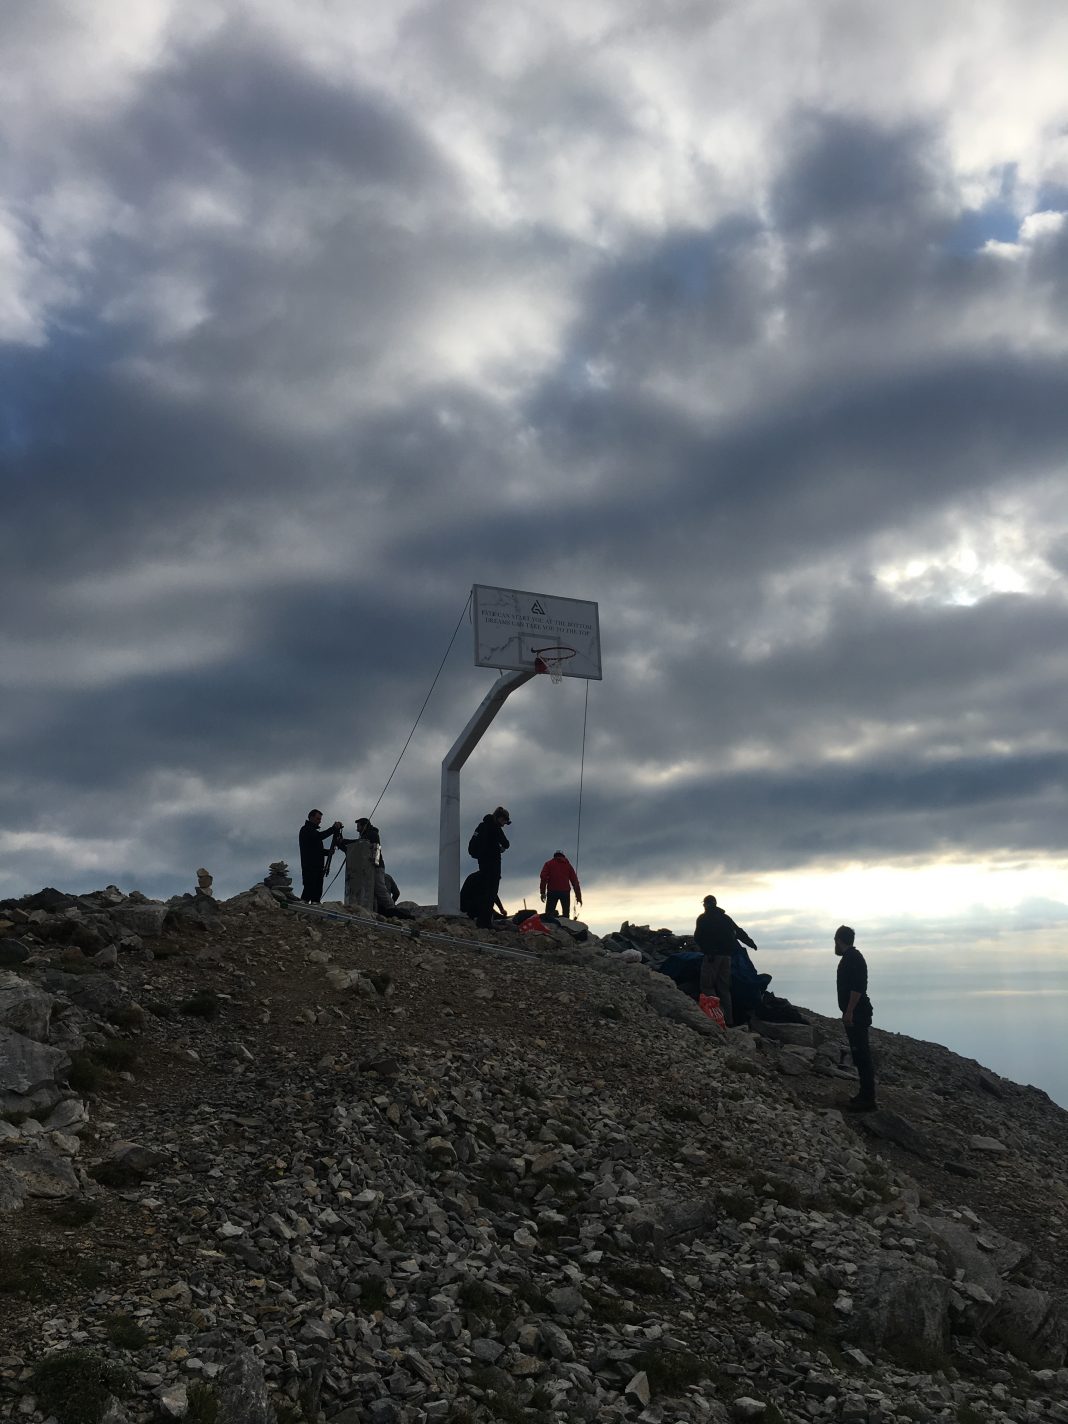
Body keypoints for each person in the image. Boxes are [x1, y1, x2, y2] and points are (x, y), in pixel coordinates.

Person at [693, 894, 757, 1028]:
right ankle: (729, 1020)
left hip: (712, 957)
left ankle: (715, 1018)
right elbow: (739, 932)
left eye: (704, 904)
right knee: (724, 988)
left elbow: (697, 937)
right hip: (727, 957)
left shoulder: (704, 918)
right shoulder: (725, 918)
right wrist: (751, 943)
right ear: (715, 904)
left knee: (707, 986)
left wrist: (707, 950)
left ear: (705, 905)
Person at [834, 925, 877, 1111]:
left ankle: (868, 1099)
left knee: (862, 1054)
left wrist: (849, 1011)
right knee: (859, 1054)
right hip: (856, 1013)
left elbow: (858, 987)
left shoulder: (853, 958)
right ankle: (864, 1095)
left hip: (857, 1014)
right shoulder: (851, 957)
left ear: (838, 940)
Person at [468, 806, 511, 929]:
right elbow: (506, 843)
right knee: (491, 893)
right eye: (504, 821)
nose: (503, 825)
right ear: (500, 818)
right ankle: (485, 922)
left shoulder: (482, 826)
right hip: (492, 864)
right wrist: (499, 848)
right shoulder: (495, 827)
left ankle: (482, 920)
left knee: (485, 892)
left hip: (482, 863)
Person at [299, 810, 342, 904]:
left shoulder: (313, 831)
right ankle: (302, 908)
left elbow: (316, 850)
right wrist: (332, 829)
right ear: (311, 817)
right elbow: (318, 837)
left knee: (316, 892)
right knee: (308, 890)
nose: (319, 821)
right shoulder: (306, 829)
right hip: (310, 866)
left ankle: (314, 908)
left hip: (317, 866)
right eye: (318, 818)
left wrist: (328, 852)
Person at [539, 850, 582, 918]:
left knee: (548, 914)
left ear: (554, 856)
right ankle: (565, 927)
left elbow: (543, 877)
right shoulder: (568, 865)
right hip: (565, 892)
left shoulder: (548, 864)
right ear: (563, 856)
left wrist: (542, 892)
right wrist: (578, 897)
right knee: (566, 915)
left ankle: (549, 926)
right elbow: (575, 881)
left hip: (552, 892)